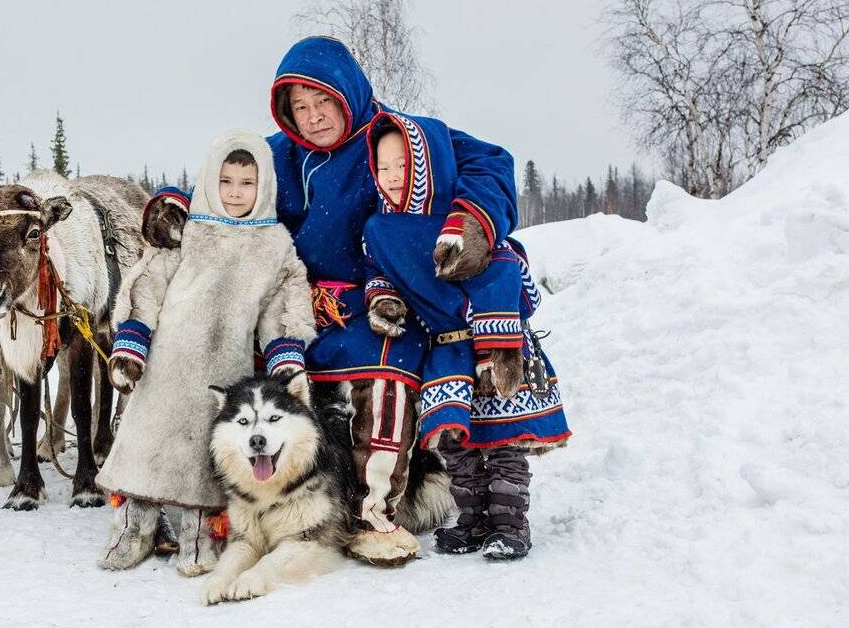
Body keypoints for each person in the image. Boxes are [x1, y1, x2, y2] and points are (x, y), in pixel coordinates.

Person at [267, 35, 520, 566]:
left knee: (386, 368)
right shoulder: (280, 156)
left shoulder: (399, 136)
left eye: (324, 103)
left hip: (385, 301)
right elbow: (226, 181)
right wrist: (177, 205)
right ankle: (262, 505)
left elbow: (491, 162)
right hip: (299, 301)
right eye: (300, 108)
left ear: (349, 93)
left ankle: (373, 515)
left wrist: (471, 222)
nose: (313, 118)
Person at [96, 131, 315, 575]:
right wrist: (133, 342)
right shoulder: (188, 229)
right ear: (210, 180)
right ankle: (132, 529)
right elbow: (149, 282)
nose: (235, 192)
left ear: (265, 185)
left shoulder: (273, 243)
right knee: (148, 444)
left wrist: (284, 354)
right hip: (167, 363)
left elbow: (283, 302)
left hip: (225, 370)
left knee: (205, 458)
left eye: (247, 183)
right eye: (227, 181)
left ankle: (200, 540)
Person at [362, 111, 571, 561]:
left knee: (501, 440)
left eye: (403, 165)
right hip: (444, 348)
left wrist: (497, 345)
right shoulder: (379, 229)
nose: (393, 176)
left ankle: (510, 523)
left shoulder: (457, 222)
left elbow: (503, 271)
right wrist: (384, 301)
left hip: (493, 340)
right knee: (454, 440)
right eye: (383, 167)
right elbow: (378, 273)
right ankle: (473, 518)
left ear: (426, 166)